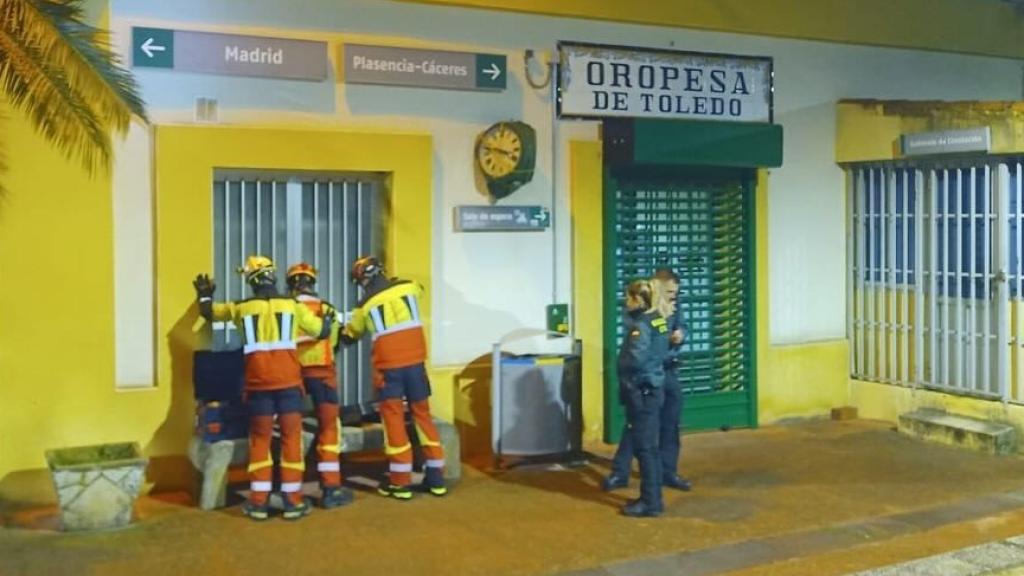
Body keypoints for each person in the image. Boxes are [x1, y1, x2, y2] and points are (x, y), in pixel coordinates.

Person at [193, 255, 333, 521]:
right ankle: (293, 500)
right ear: (273, 276)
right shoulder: (292, 306)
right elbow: (321, 331)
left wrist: (204, 295)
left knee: (261, 440)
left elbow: (209, 313)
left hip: (258, 387)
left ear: (251, 281)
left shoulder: (242, 308)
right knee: (292, 439)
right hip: (290, 384)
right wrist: (327, 321)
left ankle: (258, 502)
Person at [340, 256, 447, 500]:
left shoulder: (365, 305)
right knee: (423, 416)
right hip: (416, 364)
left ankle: (400, 482)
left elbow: (352, 333)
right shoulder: (408, 287)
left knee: (394, 420)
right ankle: (436, 478)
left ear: (363, 279)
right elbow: (419, 290)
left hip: (389, 370)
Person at [603, 269, 692, 492]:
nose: (674, 296)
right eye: (670, 292)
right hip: (649, 375)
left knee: (670, 424)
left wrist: (680, 334)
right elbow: (636, 341)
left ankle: (667, 472)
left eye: (676, 293)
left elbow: (681, 327)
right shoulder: (642, 308)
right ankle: (620, 472)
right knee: (638, 426)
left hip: (667, 370)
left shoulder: (672, 308)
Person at [285, 262, 354, 509]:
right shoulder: (328, 309)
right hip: (323, 376)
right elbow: (334, 342)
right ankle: (331, 488)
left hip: (293, 376)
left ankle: (289, 491)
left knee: (290, 430)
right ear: (312, 282)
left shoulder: (288, 309)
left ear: (290, 284)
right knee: (328, 428)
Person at [615, 279, 671, 518]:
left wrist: (620, 365)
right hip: (655, 386)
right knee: (651, 447)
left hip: (642, 389)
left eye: (628, 297)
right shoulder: (658, 320)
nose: (625, 302)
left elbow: (635, 359)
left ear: (638, 299)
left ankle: (651, 502)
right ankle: (651, 497)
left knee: (645, 448)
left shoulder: (641, 327)